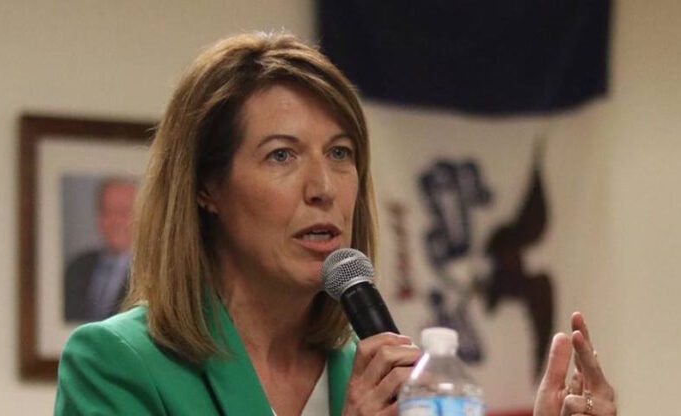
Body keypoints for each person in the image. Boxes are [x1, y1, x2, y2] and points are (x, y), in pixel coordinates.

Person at [54, 33, 616, 416]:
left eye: (341, 153)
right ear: (206, 188)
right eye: (282, 155)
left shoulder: (382, 380)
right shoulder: (119, 364)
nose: (323, 187)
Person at [64, 178, 136, 322]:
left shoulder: (151, 275)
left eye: (123, 212)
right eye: (107, 212)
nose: (115, 221)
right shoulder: (77, 267)